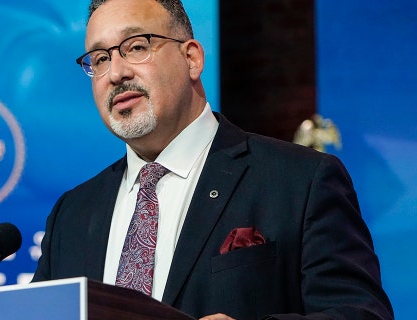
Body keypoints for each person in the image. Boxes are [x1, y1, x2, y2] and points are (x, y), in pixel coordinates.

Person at [32, 0, 394, 319]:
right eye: (99, 59)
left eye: (136, 46)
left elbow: (361, 314)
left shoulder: (301, 180)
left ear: (192, 58)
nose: (116, 73)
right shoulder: (73, 214)